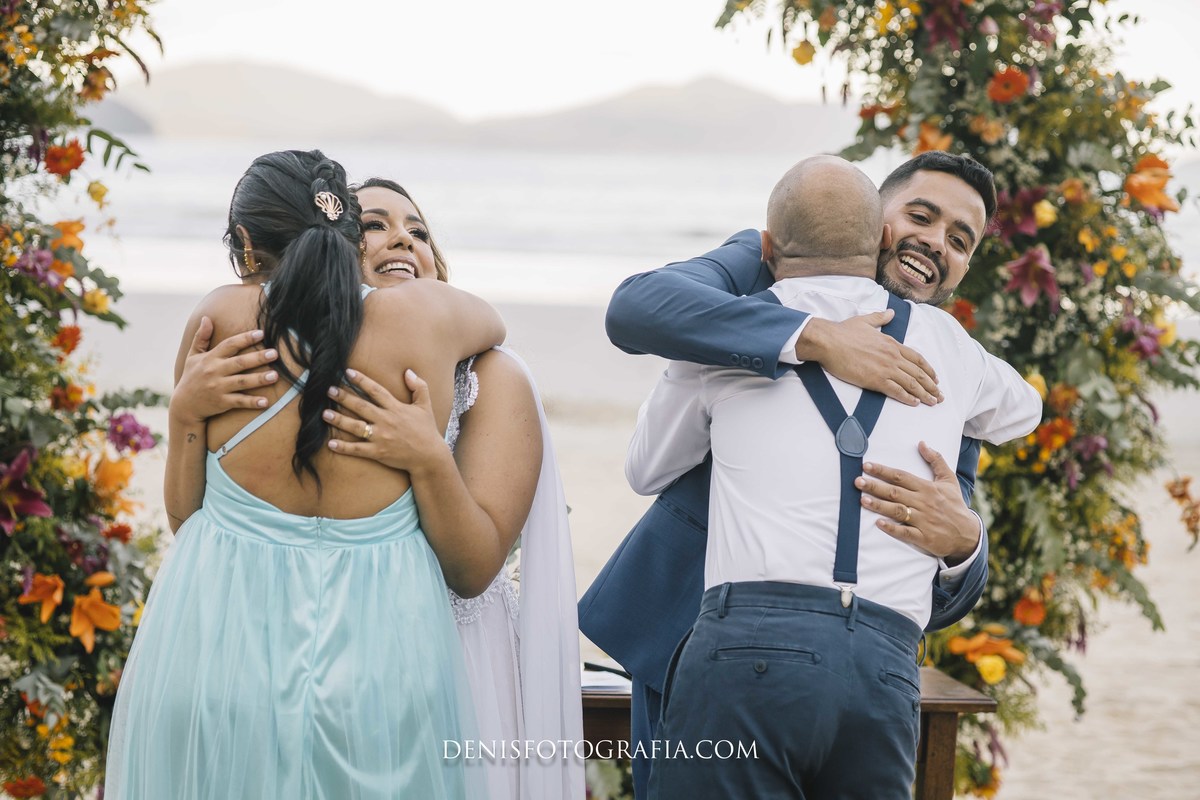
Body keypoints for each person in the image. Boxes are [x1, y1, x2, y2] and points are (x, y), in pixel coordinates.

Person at [577, 150, 1005, 798]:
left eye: (959, 239)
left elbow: (929, 587)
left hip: (855, 680)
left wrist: (962, 545)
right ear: (877, 222)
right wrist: (814, 336)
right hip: (683, 635)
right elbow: (639, 307)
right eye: (922, 215)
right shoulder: (759, 278)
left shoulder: (948, 375)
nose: (935, 243)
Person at [106, 150, 506, 799]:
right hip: (383, 666)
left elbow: (186, 517)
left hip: (217, 649)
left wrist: (184, 409)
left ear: (244, 243)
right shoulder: (427, 318)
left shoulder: (219, 319)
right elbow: (494, 324)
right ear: (350, 237)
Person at [168, 178, 584, 800]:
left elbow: (474, 566)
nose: (402, 240)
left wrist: (427, 459)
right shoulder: (284, 372)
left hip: (450, 677)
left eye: (418, 231)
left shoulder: (490, 376)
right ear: (330, 249)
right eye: (375, 224)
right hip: (286, 667)